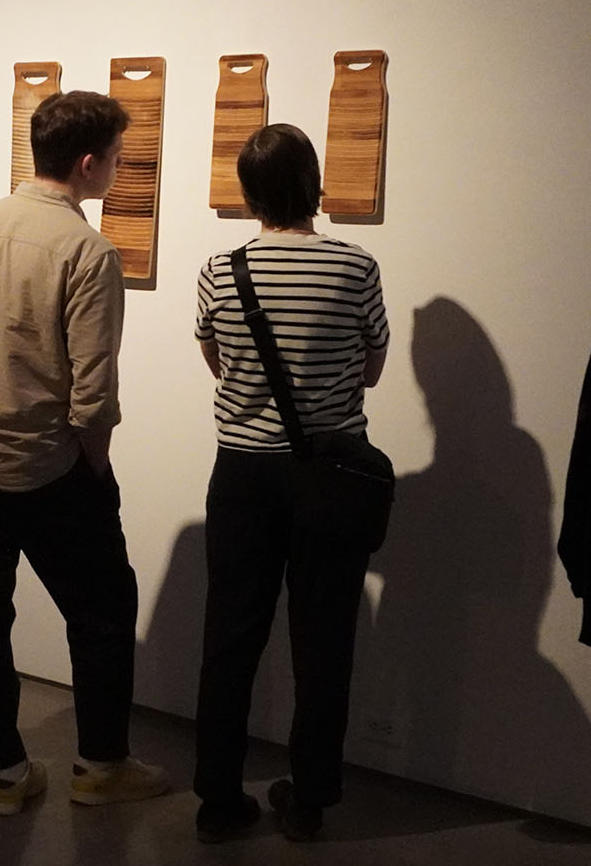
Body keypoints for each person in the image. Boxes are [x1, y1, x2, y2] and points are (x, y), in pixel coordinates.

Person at [0, 90, 169, 817]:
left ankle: (6, 777)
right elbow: (92, 393)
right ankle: (100, 765)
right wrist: (96, 464)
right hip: (51, 469)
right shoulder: (86, 251)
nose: (117, 170)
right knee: (103, 612)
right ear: (88, 164)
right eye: (116, 159)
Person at [191, 123, 390, 842]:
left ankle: (216, 799)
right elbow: (370, 367)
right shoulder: (353, 266)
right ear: (313, 186)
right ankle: (309, 800)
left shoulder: (221, 268)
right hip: (329, 471)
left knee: (229, 635)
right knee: (323, 639)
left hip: (241, 472)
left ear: (248, 197)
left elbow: (217, 361)